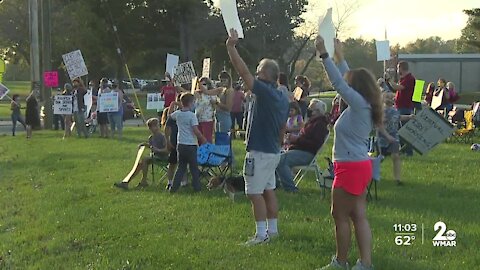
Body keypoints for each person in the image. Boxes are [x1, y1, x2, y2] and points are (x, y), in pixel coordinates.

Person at [316, 36, 381, 270]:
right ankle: (365, 264)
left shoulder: (358, 103)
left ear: (357, 87)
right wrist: (339, 56)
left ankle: (340, 262)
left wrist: (324, 55)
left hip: (350, 167)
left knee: (340, 216)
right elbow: (347, 77)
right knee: (357, 216)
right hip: (359, 165)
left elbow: (340, 83)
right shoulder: (364, 102)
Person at [226, 29, 289, 245]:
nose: (255, 72)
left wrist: (231, 47)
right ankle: (273, 231)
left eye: (259, 70)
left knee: (254, 193)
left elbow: (243, 73)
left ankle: (260, 235)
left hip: (260, 152)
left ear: (266, 75)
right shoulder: (282, 95)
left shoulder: (267, 92)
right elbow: (282, 126)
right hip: (272, 151)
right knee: (268, 190)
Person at [276, 99, 329, 192]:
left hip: (307, 154)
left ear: (318, 111)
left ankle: (291, 189)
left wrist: (296, 139)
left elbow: (314, 144)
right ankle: (275, 184)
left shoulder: (319, 125)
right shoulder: (312, 123)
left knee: (281, 160)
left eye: (311, 108)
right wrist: (291, 140)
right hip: (300, 149)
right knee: (274, 156)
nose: (308, 110)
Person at [114, 118, 168, 189]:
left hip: (163, 157)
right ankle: (126, 182)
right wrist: (145, 145)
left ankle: (143, 181)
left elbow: (167, 150)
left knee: (145, 159)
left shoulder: (163, 137)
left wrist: (158, 150)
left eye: (156, 125)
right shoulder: (151, 138)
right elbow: (152, 146)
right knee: (140, 164)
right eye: (153, 126)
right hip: (155, 157)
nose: (156, 128)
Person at [169, 93, 207, 193]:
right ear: (190, 103)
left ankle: (174, 188)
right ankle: (197, 187)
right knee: (194, 167)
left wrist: (172, 105)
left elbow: (169, 116)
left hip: (180, 144)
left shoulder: (178, 114)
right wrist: (203, 139)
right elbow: (195, 130)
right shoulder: (192, 116)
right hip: (191, 144)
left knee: (181, 167)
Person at [377, 92, 414, 186]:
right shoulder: (380, 110)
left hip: (394, 136)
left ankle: (398, 179)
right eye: (387, 97)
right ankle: (372, 174)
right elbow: (377, 122)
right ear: (382, 99)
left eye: (391, 97)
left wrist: (409, 117)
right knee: (380, 158)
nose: (390, 99)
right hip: (382, 137)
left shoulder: (395, 110)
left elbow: (399, 118)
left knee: (396, 156)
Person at [389, 61, 415, 156]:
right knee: (399, 131)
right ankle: (403, 150)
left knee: (405, 131)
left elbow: (398, 87)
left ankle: (408, 151)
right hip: (400, 106)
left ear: (401, 68)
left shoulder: (409, 78)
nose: (397, 70)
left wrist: (389, 80)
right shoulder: (404, 78)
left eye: (398, 68)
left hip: (405, 107)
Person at [194, 77, 216, 143]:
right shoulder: (197, 94)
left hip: (207, 119)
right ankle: (201, 153)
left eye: (204, 84)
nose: (202, 86)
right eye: (200, 84)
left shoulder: (211, 94)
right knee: (199, 139)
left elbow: (214, 105)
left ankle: (208, 152)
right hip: (198, 119)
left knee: (207, 139)